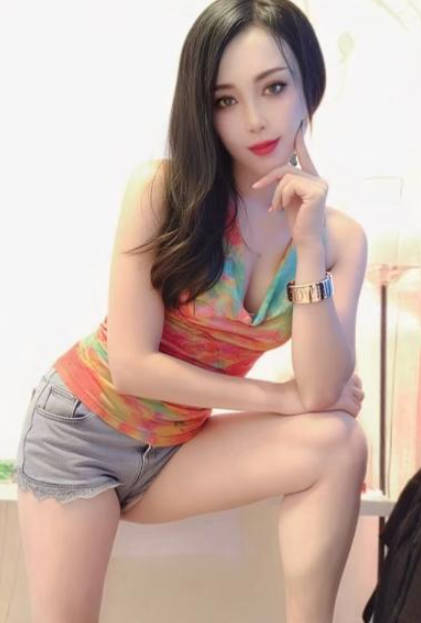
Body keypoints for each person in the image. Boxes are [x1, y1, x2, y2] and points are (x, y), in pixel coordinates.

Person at [13, 1, 369, 622]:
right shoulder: (162, 192)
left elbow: (321, 393)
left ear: (309, 84)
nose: (254, 119)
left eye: (274, 87)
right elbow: (132, 367)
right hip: (81, 435)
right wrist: (277, 397)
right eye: (226, 100)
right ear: (203, 110)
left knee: (340, 442)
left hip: (175, 449)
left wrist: (308, 245)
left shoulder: (338, 239)